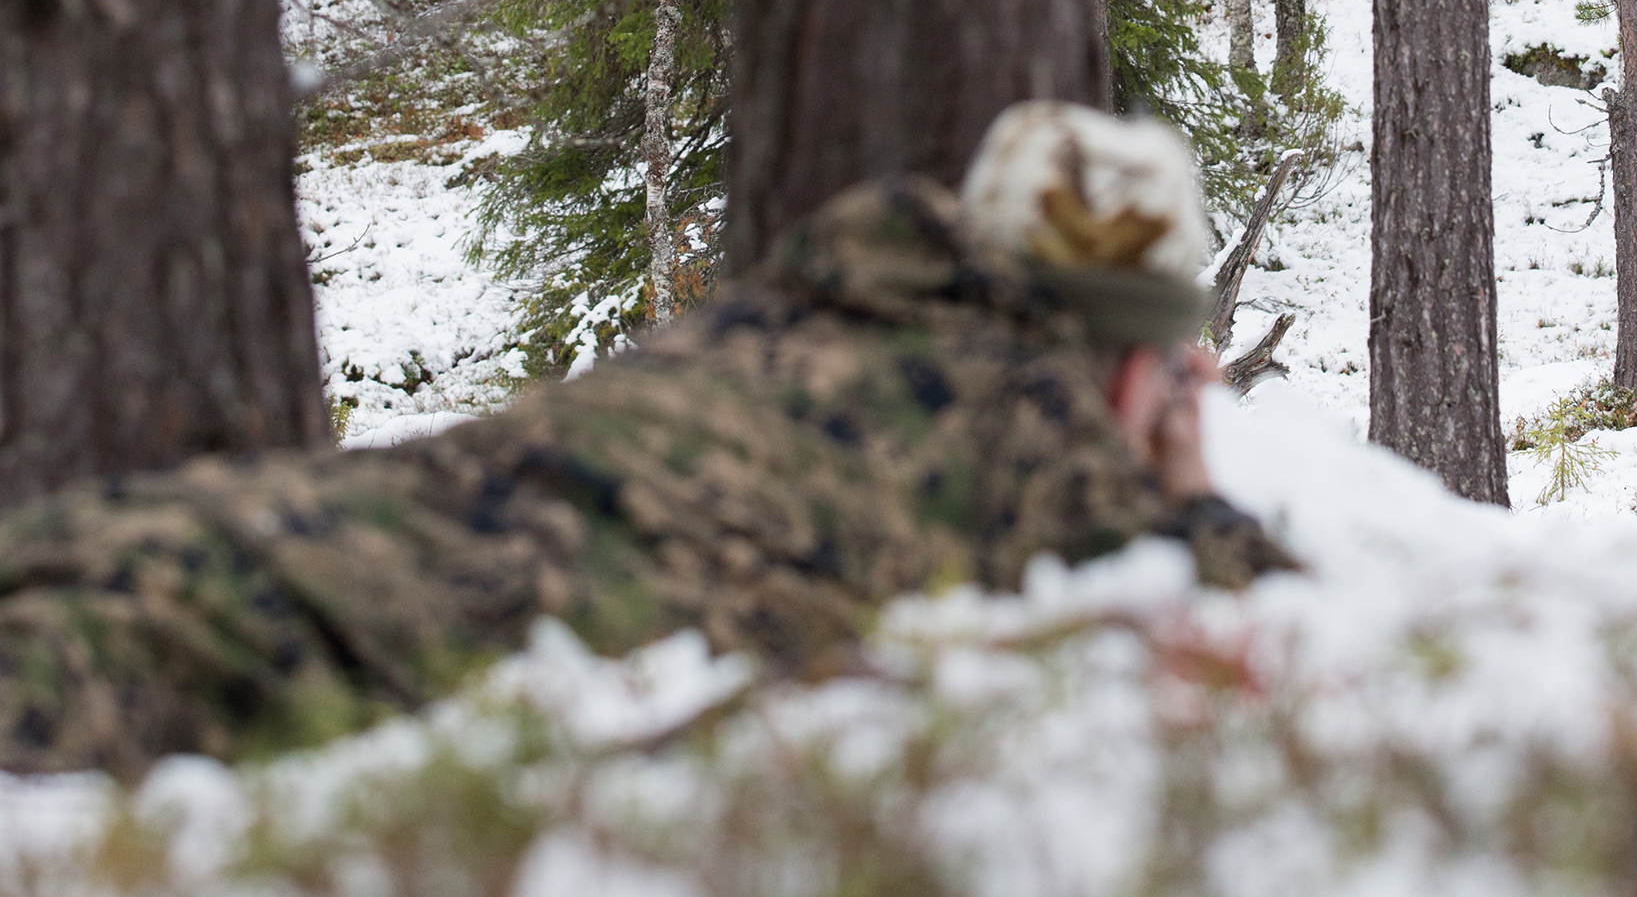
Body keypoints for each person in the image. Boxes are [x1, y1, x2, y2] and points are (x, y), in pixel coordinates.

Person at [0, 103, 1288, 775]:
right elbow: (1280, 640)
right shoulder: (1030, 433)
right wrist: (1184, 477)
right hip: (307, 642)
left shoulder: (812, 304)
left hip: (245, 528)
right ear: (1129, 352)